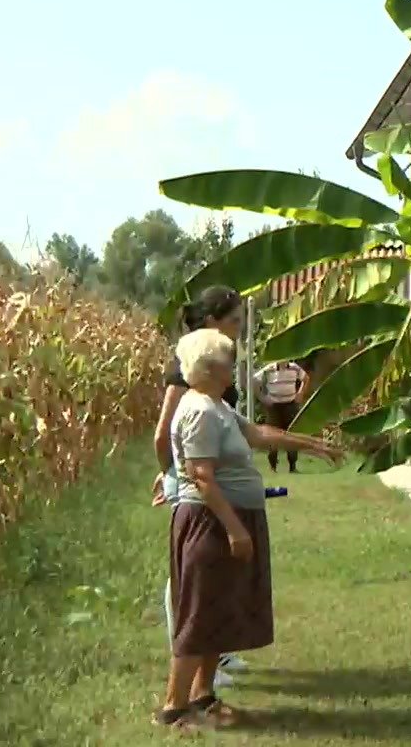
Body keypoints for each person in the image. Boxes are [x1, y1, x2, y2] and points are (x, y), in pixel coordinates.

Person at [156, 327, 342, 729]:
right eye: (228, 361)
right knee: (199, 612)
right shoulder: (200, 411)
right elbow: (201, 477)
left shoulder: (217, 406)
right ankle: (174, 708)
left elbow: (257, 433)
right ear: (209, 367)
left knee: (218, 610)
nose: (233, 368)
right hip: (209, 522)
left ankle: (203, 697)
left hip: (226, 517)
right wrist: (234, 529)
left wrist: (311, 444)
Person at [149, 287, 248, 690]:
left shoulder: (215, 360)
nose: (240, 329)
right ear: (211, 322)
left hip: (205, 473)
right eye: (234, 321)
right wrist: (171, 475)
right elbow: (164, 433)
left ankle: (215, 652)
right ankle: (191, 653)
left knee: (211, 570)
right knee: (191, 573)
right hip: (193, 479)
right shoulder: (189, 364)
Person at [256, 359, 309, 472]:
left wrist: (300, 393)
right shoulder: (269, 369)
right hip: (274, 407)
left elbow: (305, 379)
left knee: (291, 435)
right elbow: (254, 381)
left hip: (290, 405)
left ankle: (292, 466)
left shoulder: (294, 368)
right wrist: (262, 397)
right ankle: (273, 465)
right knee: (272, 436)